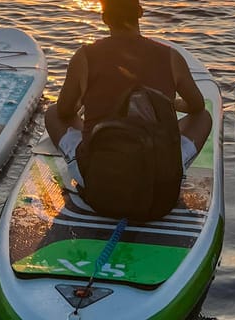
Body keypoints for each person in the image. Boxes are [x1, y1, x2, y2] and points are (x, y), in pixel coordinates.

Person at [45, 0, 212, 187]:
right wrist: (172, 104)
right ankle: (175, 163)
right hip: (157, 177)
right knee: (203, 118)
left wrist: (82, 103)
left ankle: (77, 158)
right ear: (140, 12)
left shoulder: (84, 57)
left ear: (104, 18)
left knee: (52, 113)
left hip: (97, 179)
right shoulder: (172, 57)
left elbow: (64, 112)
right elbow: (197, 106)